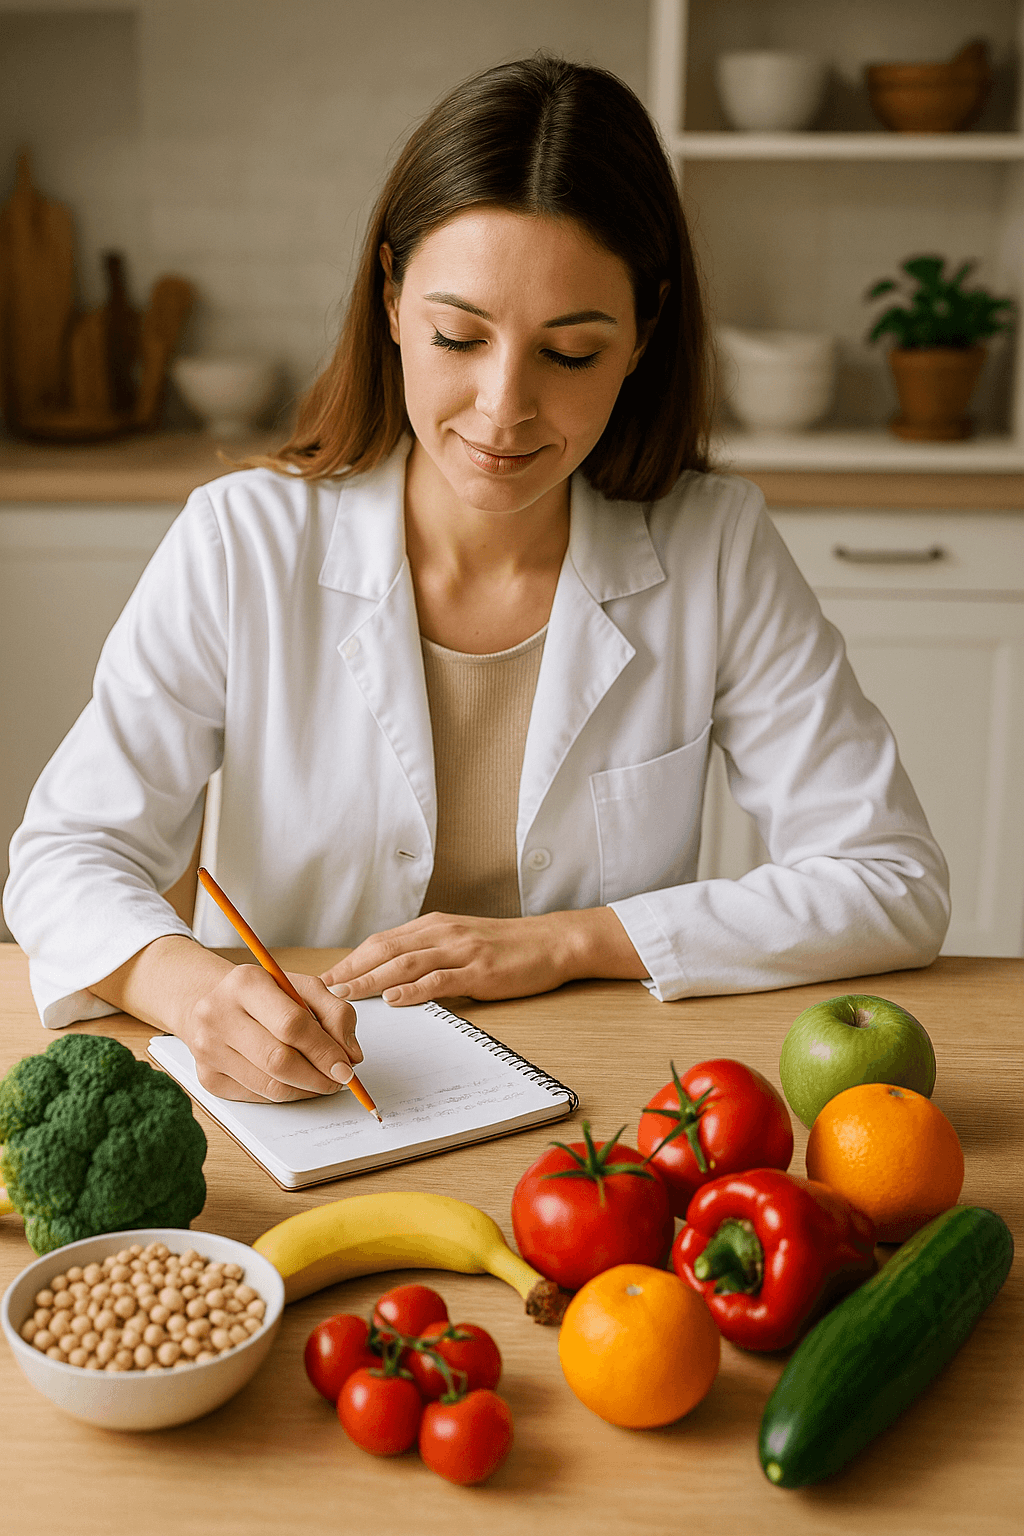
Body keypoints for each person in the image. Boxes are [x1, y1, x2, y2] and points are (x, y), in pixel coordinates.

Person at [3, 55, 949, 1105]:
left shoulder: (713, 546)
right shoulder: (244, 540)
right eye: (459, 336)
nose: (504, 410)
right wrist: (191, 991)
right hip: (312, 1104)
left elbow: (890, 879)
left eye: (571, 354)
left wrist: (566, 942)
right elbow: (65, 854)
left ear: (641, 336)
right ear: (392, 297)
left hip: (605, 1109)